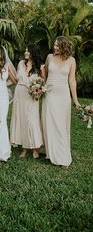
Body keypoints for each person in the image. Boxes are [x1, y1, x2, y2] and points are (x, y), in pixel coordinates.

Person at [42, 36, 81, 169]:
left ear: (64, 46)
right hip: (50, 94)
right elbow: (45, 76)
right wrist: (41, 87)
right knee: (50, 124)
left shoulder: (71, 60)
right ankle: (51, 153)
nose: (55, 47)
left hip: (63, 95)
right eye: (54, 45)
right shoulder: (49, 57)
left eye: (58, 46)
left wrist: (75, 100)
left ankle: (63, 156)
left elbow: (72, 81)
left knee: (61, 125)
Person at [10, 45, 44, 158]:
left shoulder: (40, 67)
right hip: (19, 93)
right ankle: (24, 148)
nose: (25, 52)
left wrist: (38, 90)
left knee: (32, 120)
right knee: (22, 119)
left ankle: (35, 148)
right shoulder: (20, 63)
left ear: (33, 53)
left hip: (31, 95)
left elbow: (43, 82)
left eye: (28, 50)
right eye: (25, 50)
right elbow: (15, 80)